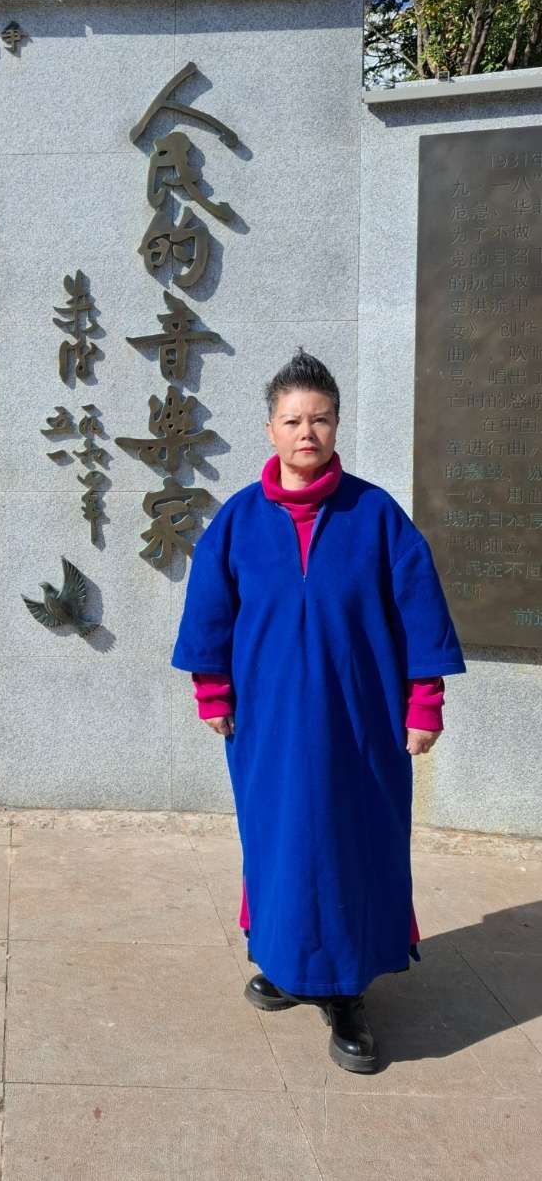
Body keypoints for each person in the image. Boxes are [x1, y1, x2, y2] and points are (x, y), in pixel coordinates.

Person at [171, 349, 465, 1074]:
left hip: (360, 724)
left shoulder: (376, 516)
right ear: (270, 429)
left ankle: (347, 993)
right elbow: (210, 614)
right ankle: (284, 961)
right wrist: (213, 692)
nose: (307, 432)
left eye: (321, 419)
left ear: (337, 426)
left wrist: (424, 703)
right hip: (268, 726)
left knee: (352, 847)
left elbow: (420, 612)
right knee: (278, 843)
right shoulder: (239, 521)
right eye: (293, 420)